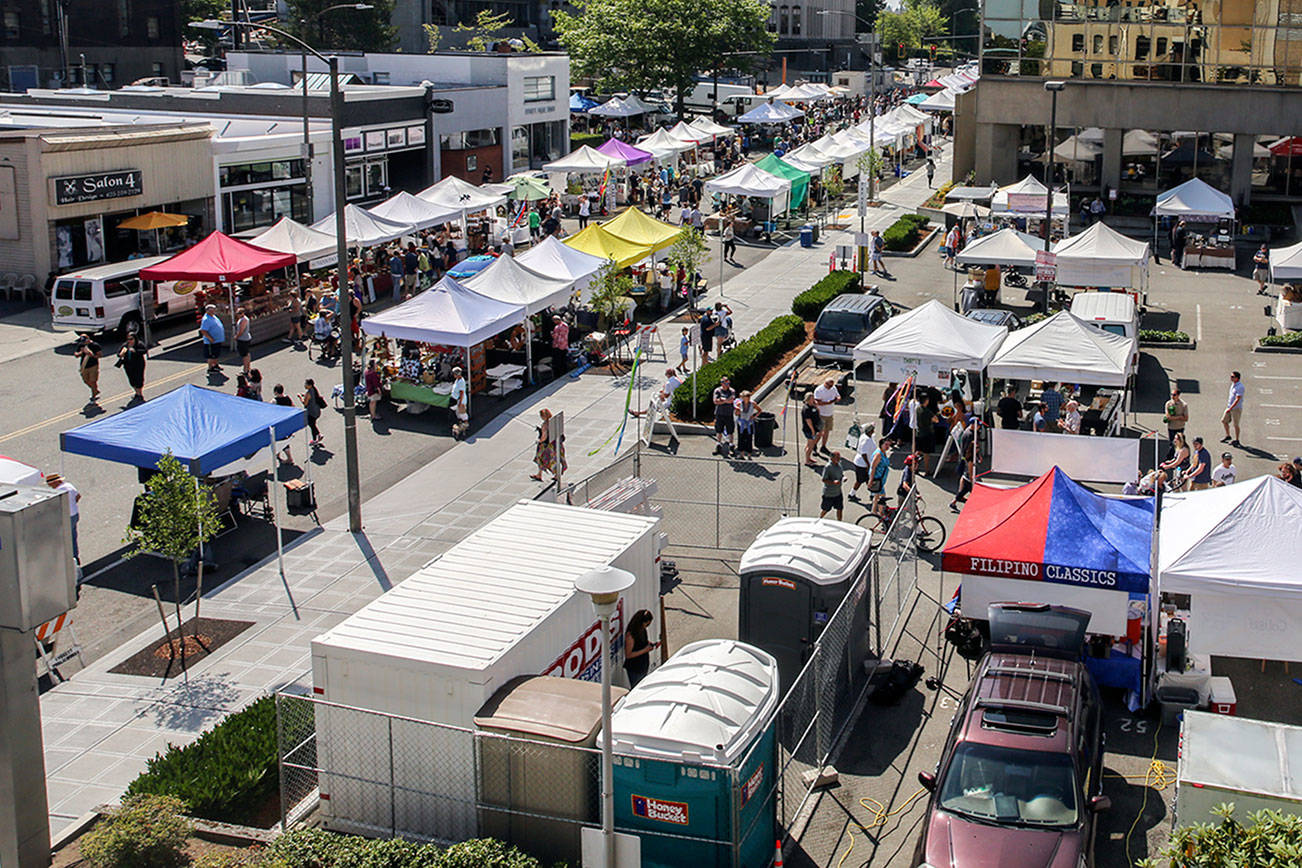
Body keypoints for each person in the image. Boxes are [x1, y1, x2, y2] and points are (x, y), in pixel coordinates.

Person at [45, 473, 81, 569]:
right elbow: (78, 496)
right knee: (73, 536)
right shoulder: (69, 486)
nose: (50, 487)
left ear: (56, 482)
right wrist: (72, 504)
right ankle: (76, 556)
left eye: (51, 484)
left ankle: (72, 559)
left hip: (67, 516)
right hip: (75, 514)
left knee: (66, 538)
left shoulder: (58, 491)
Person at [623, 609, 659, 687]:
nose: (647, 626)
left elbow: (642, 643)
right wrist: (645, 650)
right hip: (635, 668)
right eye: (646, 624)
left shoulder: (642, 630)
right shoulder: (630, 635)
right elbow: (628, 655)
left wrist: (651, 645)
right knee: (637, 687)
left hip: (643, 665)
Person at [530, 408, 567, 481]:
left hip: (546, 446)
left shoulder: (545, 425)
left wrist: (539, 441)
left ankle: (540, 475)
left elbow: (544, 437)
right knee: (556, 459)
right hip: (555, 444)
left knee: (540, 458)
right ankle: (552, 475)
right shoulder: (554, 421)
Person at [849, 422, 878, 501]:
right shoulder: (866, 440)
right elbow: (864, 453)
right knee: (861, 480)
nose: (874, 431)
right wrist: (868, 464)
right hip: (862, 464)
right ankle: (852, 494)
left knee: (867, 479)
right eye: (872, 430)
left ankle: (872, 494)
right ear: (870, 431)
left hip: (863, 463)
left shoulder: (865, 436)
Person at [116, 331, 146, 401]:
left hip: (138, 365)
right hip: (128, 365)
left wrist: (135, 351)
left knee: (139, 379)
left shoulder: (139, 344)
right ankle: (136, 392)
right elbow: (118, 352)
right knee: (132, 379)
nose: (129, 341)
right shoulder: (125, 345)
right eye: (128, 339)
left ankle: (139, 394)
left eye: (131, 339)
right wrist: (120, 354)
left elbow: (144, 350)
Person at [813, 377, 840, 453]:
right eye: (829, 385)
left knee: (827, 431)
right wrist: (828, 402)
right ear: (825, 383)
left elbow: (837, 395)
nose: (830, 387)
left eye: (832, 385)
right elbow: (818, 402)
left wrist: (838, 398)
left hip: (829, 413)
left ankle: (823, 446)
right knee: (820, 432)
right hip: (821, 414)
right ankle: (814, 445)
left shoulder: (833, 388)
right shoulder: (819, 390)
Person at [868, 438, 893, 519]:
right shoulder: (878, 454)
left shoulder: (883, 452)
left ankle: (874, 511)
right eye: (886, 444)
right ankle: (882, 514)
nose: (887, 446)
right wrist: (871, 480)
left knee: (877, 496)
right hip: (877, 479)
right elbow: (873, 467)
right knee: (882, 497)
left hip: (881, 479)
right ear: (881, 444)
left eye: (889, 445)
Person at [271, 385, 296, 463]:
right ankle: (278, 454)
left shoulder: (274, 401)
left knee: (281, 440)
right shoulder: (288, 398)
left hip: (279, 424)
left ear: (275, 392)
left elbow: (270, 411)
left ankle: (289, 458)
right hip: (287, 422)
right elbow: (293, 407)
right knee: (281, 439)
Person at [712, 376, 737, 452]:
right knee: (719, 430)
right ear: (722, 383)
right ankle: (718, 444)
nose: (727, 385)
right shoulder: (717, 391)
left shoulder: (732, 391)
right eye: (725, 383)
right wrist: (726, 400)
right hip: (719, 414)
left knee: (730, 431)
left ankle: (731, 445)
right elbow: (715, 401)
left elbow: (731, 401)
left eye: (728, 383)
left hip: (729, 414)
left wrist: (722, 400)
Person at [819, 450, 845, 521]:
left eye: (839, 457)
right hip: (829, 493)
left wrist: (843, 478)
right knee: (826, 509)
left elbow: (841, 474)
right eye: (837, 458)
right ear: (832, 458)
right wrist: (833, 482)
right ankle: (819, 519)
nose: (839, 459)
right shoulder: (828, 467)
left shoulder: (839, 465)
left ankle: (840, 522)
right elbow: (824, 479)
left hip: (838, 492)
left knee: (840, 508)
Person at [1221, 370, 1244, 448]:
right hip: (1229, 407)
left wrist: (1230, 408)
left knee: (1236, 424)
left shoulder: (1240, 387)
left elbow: (1237, 399)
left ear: (1237, 378)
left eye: (1233, 377)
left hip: (1236, 409)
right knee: (1224, 421)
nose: (1231, 378)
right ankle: (1228, 435)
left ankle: (1237, 440)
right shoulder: (1233, 385)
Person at [199, 304, 225, 373]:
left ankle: (216, 365)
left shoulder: (213, 316)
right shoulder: (206, 319)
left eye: (214, 309)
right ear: (208, 310)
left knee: (216, 354)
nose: (214, 311)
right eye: (212, 310)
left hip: (217, 340)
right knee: (211, 355)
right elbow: (203, 330)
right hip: (211, 341)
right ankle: (210, 368)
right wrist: (210, 338)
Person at [734, 390, 761, 456]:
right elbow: (736, 414)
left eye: (748, 397)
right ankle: (742, 453)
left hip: (749, 423)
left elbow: (759, 410)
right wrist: (737, 411)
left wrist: (754, 416)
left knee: (749, 438)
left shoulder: (753, 403)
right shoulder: (739, 404)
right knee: (741, 438)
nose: (748, 398)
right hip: (741, 423)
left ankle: (749, 453)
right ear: (743, 397)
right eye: (746, 397)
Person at [300, 378, 325, 447]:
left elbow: (305, 403)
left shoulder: (308, 393)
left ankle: (315, 440)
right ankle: (319, 435)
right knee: (313, 424)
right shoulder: (314, 390)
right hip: (317, 410)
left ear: (310, 385)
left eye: (306, 384)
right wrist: (304, 396)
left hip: (311, 412)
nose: (305, 385)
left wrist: (300, 398)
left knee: (312, 425)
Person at [802, 393, 822, 466]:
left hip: (814, 428)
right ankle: (807, 461)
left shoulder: (813, 406)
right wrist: (812, 430)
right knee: (811, 445)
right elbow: (808, 421)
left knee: (810, 444)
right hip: (809, 429)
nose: (813, 399)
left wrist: (816, 406)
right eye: (812, 398)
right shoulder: (806, 409)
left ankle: (809, 458)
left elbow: (818, 413)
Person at [450, 366, 469, 439]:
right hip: (457, 400)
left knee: (462, 413)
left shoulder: (461, 381)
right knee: (458, 414)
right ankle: (460, 427)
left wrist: (460, 402)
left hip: (460, 401)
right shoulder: (457, 380)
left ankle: (464, 426)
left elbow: (461, 393)